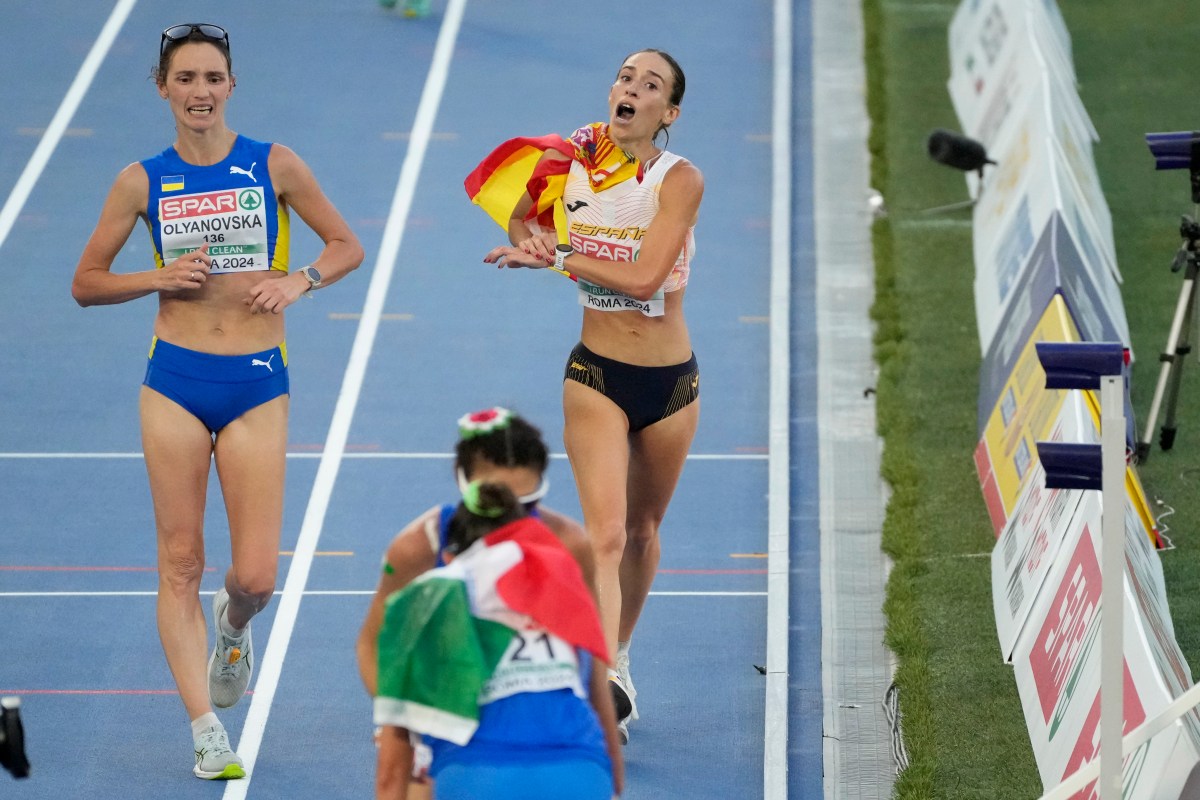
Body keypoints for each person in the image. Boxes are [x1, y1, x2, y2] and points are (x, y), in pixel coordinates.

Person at [70, 22, 364, 780]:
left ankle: (233, 627)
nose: (200, 91)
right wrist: (155, 279)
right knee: (179, 561)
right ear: (162, 88)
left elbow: (344, 245)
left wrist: (301, 280)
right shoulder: (142, 180)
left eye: (213, 78)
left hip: (257, 379)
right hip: (174, 379)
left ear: (232, 86)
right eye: (186, 79)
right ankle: (205, 729)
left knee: (256, 576)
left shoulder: (275, 164)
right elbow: (87, 283)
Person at [469, 49, 702, 745]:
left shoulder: (679, 179)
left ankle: (620, 655)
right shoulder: (567, 159)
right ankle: (597, 688)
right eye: (626, 78)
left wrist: (562, 257)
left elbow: (646, 277)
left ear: (669, 113)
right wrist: (528, 239)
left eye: (650, 85)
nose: (632, 89)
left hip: (672, 383)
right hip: (596, 373)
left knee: (641, 532)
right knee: (603, 535)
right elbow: (518, 218)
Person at [357, 407, 595, 798]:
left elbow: (588, 649)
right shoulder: (417, 548)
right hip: (453, 723)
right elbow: (371, 644)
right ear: (461, 481)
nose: (511, 520)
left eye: (527, 502)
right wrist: (401, 719)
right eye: (497, 500)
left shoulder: (570, 544)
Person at [372, 481, 623, 800]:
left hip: (477, 776)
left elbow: (391, 775)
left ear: (449, 557)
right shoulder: (566, 589)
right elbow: (599, 696)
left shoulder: (430, 606)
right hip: (580, 771)